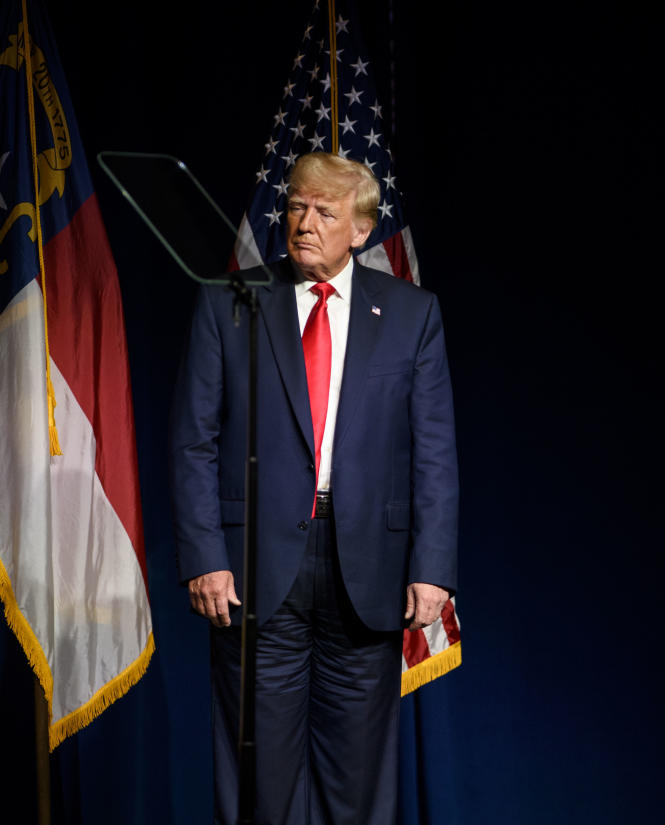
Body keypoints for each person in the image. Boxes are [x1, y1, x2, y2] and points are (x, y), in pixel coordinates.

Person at [170, 152, 458, 825]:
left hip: (369, 568)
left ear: (360, 230)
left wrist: (433, 568)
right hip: (254, 568)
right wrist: (205, 554)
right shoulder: (229, 301)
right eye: (298, 206)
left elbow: (436, 455)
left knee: (353, 784)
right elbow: (191, 441)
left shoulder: (413, 315)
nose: (304, 223)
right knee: (261, 783)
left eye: (325, 212)